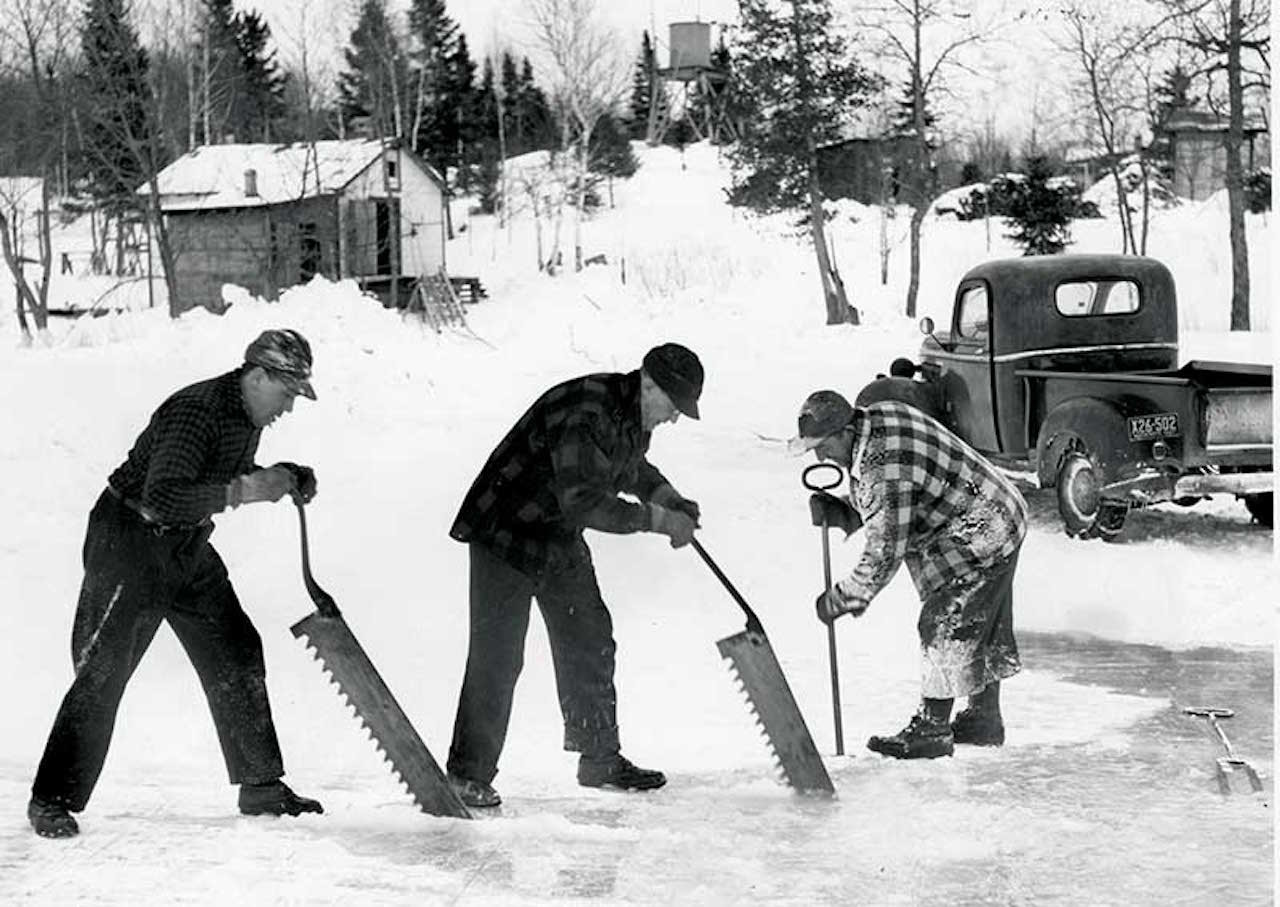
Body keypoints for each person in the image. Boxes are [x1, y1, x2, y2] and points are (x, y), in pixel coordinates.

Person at [28, 329, 325, 838]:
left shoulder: (243, 415)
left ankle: (259, 784)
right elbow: (162, 496)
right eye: (287, 394)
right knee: (104, 670)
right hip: (130, 540)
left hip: (183, 546)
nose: (289, 409)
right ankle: (51, 799)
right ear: (258, 376)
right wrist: (248, 490)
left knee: (235, 647)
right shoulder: (197, 411)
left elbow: (215, 478)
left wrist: (282, 474)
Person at [446, 343, 705, 808]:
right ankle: (467, 776)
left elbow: (631, 467)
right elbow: (585, 501)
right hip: (506, 529)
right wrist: (659, 521)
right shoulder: (587, 409)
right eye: (672, 407)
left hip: (555, 534)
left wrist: (670, 498)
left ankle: (600, 759)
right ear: (649, 384)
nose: (673, 419)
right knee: (498, 656)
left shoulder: (629, 413)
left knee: (589, 636)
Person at [791, 389, 1027, 760]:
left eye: (822, 446)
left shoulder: (881, 465)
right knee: (981, 623)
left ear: (844, 433)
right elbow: (905, 490)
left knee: (944, 621)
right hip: (997, 511)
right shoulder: (877, 418)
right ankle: (983, 719)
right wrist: (849, 511)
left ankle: (931, 729)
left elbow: (886, 549)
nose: (820, 455)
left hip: (980, 528)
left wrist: (846, 595)